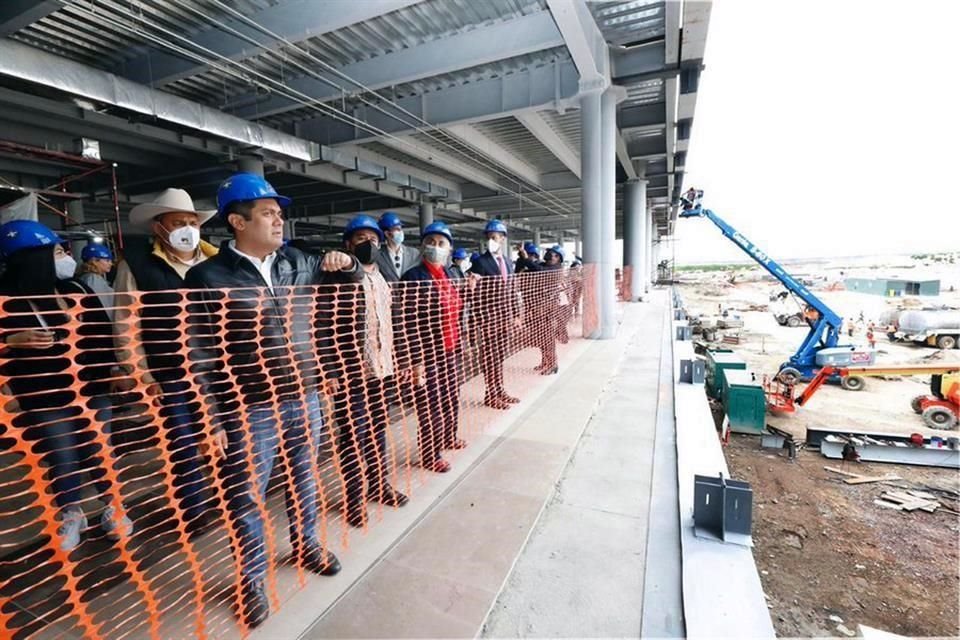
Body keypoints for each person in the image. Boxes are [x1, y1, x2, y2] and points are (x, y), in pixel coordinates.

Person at [184, 172, 351, 628]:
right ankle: (251, 579)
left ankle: (307, 544)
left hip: (306, 397)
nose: (279, 221)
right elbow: (199, 353)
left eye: (280, 213)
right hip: (248, 407)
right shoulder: (208, 277)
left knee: (306, 478)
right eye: (268, 214)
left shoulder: (296, 263)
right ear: (237, 221)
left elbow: (337, 301)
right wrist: (211, 417)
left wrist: (346, 263)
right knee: (247, 496)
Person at [0, 220, 132, 551]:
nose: (66, 259)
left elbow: (102, 334)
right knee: (62, 455)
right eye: (57, 252)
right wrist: (8, 342)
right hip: (43, 393)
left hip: (92, 386)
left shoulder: (76, 290)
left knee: (99, 448)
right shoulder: (5, 301)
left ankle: (112, 505)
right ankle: (70, 512)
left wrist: (114, 369)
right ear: (32, 258)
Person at [113, 188, 219, 536]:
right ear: (159, 228)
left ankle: (228, 497)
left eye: (192, 222)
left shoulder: (215, 261)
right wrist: (141, 374)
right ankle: (194, 509)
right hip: (169, 373)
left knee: (225, 437)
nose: (188, 228)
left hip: (219, 372)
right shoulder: (138, 266)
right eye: (179, 223)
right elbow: (126, 325)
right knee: (183, 444)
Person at [332, 214, 411, 529]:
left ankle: (379, 484)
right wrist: (331, 369)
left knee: (378, 431)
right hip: (352, 372)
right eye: (361, 239)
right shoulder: (338, 278)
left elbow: (397, 321)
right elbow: (325, 325)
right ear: (349, 244)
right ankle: (354, 498)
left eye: (374, 239)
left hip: (383, 370)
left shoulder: (385, 276)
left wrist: (402, 360)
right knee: (352, 436)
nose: (369, 244)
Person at [400, 221, 470, 473]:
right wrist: (414, 359)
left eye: (441, 243)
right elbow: (408, 322)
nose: (435, 247)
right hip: (428, 353)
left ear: (449, 248)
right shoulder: (414, 277)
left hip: (451, 350)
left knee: (451, 396)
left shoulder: (451, 275)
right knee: (430, 404)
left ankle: (448, 436)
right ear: (422, 246)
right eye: (430, 242)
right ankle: (431, 454)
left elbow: (458, 308)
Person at [468, 219, 521, 409]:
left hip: (505, 318)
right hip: (489, 320)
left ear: (504, 239)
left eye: (496, 237)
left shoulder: (507, 261)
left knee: (500, 356)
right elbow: (473, 297)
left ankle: (500, 390)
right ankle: (491, 394)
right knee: (490, 357)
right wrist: (478, 323)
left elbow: (512, 290)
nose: (493, 240)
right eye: (490, 237)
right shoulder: (480, 262)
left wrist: (515, 315)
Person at [374, 211, 419, 282]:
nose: (401, 232)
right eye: (397, 229)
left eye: (401, 229)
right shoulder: (377, 256)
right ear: (387, 234)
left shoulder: (414, 253)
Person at [77, 243, 116, 320]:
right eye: (107, 260)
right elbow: (102, 305)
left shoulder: (88, 277)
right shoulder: (93, 279)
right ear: (94, 261)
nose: (111, 264)